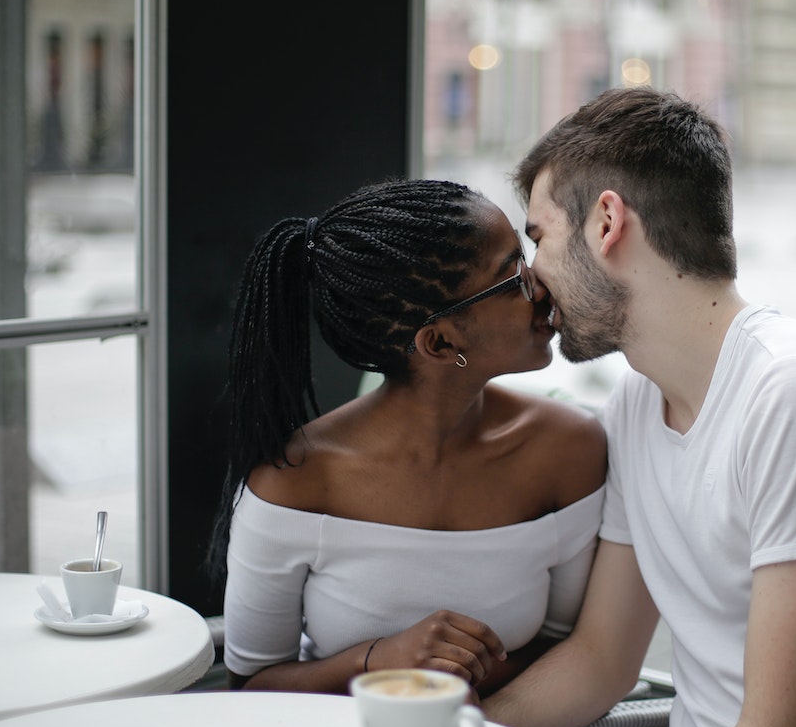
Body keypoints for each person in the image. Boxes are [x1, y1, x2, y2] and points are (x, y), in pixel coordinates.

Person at [482, 88, 796, 727]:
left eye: (539, 237)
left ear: (607, 221)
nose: (531, 277)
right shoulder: (637, 405)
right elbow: (602, 660)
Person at [209, 179, 606, 699]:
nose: (542, 285)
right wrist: (378, 661)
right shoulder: (296, 483)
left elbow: (567, 647)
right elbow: (251, 686)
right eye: (513, 276)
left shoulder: (569, 451)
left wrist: (447, 695)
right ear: (440, 341)